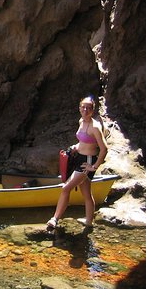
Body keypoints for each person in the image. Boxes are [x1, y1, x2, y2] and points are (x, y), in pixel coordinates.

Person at [46, 96, 108, 231]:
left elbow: (104, 149)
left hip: (87, 161)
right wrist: (75, 146)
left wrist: (94, 166)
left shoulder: (95, 127)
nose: (85, 110)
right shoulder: (81, 121)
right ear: (80, 108)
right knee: (86, 193)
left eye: (89, 108)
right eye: (83, 107)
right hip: (78, 158)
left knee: (65, 188)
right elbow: (83, 141)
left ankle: (54, 219)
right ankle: (89, 222)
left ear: (92, 110)